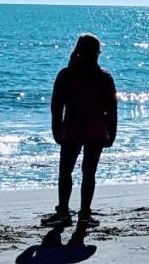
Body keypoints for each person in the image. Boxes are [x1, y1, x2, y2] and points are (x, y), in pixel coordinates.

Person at [43, 33, 117, 227]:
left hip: (72, 130)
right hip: (96, 130)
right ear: (96, 53)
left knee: (65, 171)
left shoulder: (66, 74)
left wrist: (56, 128)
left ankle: (64, 212)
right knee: (88, 173)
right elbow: (112, 109)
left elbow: (56, 106)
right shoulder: (104, 77)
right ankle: (84, 214)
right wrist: (112, 132)